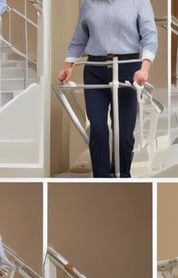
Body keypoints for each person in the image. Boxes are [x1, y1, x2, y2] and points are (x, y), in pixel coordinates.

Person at [57, 0, 158, 178]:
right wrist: (68, 66)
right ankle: (101, 178)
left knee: (124, 132)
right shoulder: (88, 3)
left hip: (128, 67)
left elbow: (150, 36)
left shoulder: (139, 2)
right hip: (95, 69)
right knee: (97, 127)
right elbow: (78, 39)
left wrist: (144, 69)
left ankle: (122, 175)